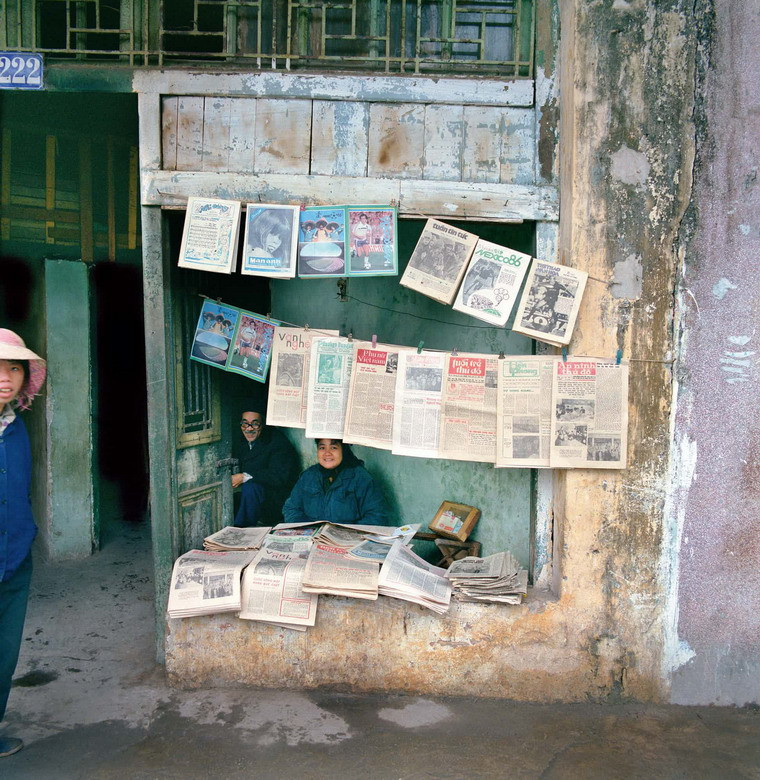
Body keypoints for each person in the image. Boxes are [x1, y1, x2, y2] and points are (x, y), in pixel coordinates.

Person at [0, 329, 46, 759]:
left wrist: (26, 535)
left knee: (4, 653)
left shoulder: (16, 428)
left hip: (13, 559)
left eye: (14, 367)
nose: (5, 376)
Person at [282, 439, 389, 526]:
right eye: (322, 448)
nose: (327, 453)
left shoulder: (360, 477)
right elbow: (291, 508)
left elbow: (377, 516)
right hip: (313, 539)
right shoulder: (309, 476)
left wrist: (347, 534)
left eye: (334, 447)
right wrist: (308, 530)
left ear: (343, 450)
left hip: (347, 542)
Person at [231, 402, 299, 527]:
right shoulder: (239, 441)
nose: (249, 428)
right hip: (248, 499)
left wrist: (244, 476)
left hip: (273, 501)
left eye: (255, 424)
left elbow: (279, 477)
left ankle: (242, 528)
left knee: (251, 487)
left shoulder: (277, 442)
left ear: (263, 424)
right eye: (245, 423)